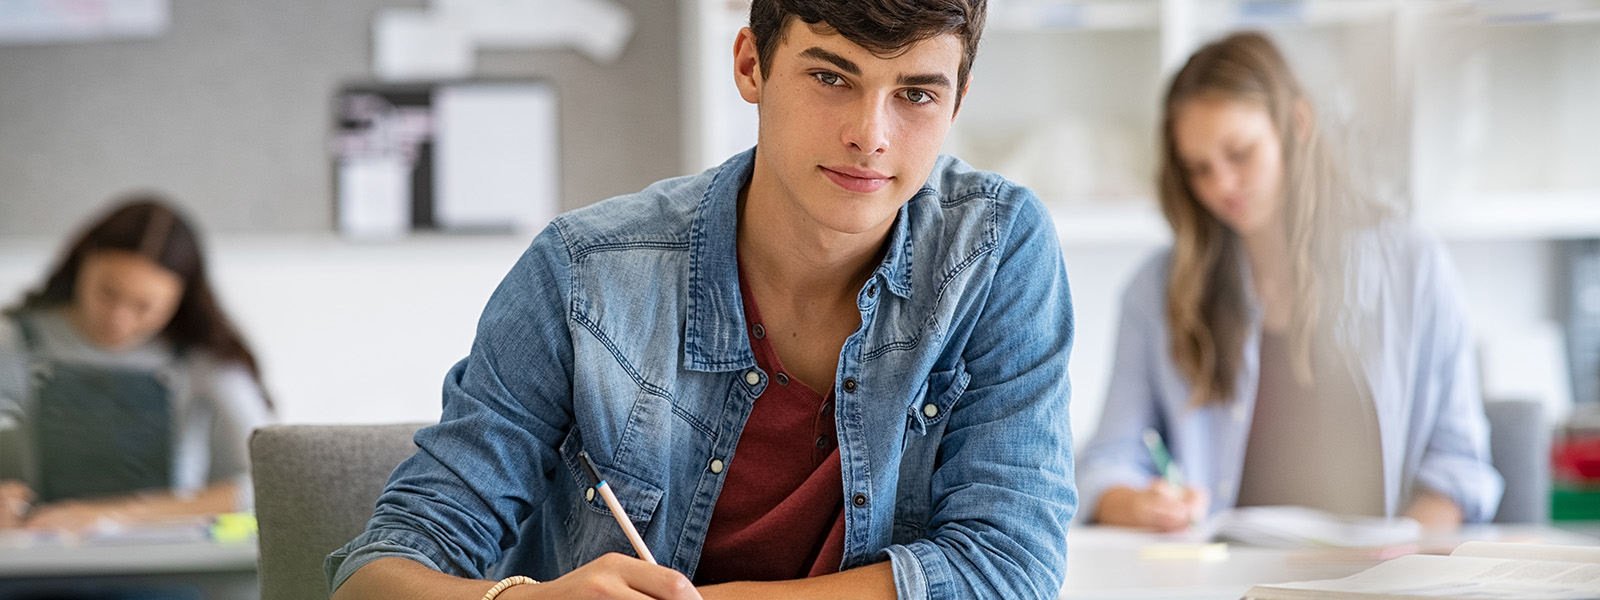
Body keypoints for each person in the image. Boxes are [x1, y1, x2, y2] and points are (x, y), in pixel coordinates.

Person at [326, 1, 1076, 599]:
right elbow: (376, 573)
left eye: (915, 93)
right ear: (752, 65)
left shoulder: (996, 250)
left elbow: (1007, 567)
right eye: (830, 77)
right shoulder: (583, 274)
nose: (869, 135)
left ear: (957, 100)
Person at [1075, 31, 1502, 533]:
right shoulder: (1156, 290)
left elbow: (1458, 470)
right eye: (1198, 169)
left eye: (1239, 153)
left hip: (1378, 581)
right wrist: (1137, 503)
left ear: (1297, 123)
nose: (1221, 186)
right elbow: (1107, 462)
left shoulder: (1415, 267)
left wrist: (1395, 564)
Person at [0, 196, 274, 532]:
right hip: (38, 554)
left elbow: (266, 482)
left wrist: (116, 515)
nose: (120, 319)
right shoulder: (12, 341)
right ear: (83, 262)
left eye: (145, 306)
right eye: (107, 293)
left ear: (180, 299)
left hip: (161, 563)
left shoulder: (203, 358)